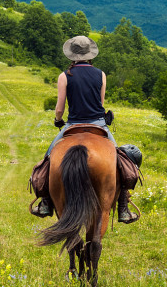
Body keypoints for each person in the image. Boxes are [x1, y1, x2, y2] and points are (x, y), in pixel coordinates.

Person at [29, 35, 140, 223]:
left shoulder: (64, 76)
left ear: (71, 55)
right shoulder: (101, 75)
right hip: (98, 124)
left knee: (49, 158)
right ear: (91, 55)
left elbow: (59, 108)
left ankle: (46, 201)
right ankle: (123, 206)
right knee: (123, 160)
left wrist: (58, 121)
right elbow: (101, 103)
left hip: (73, 125)